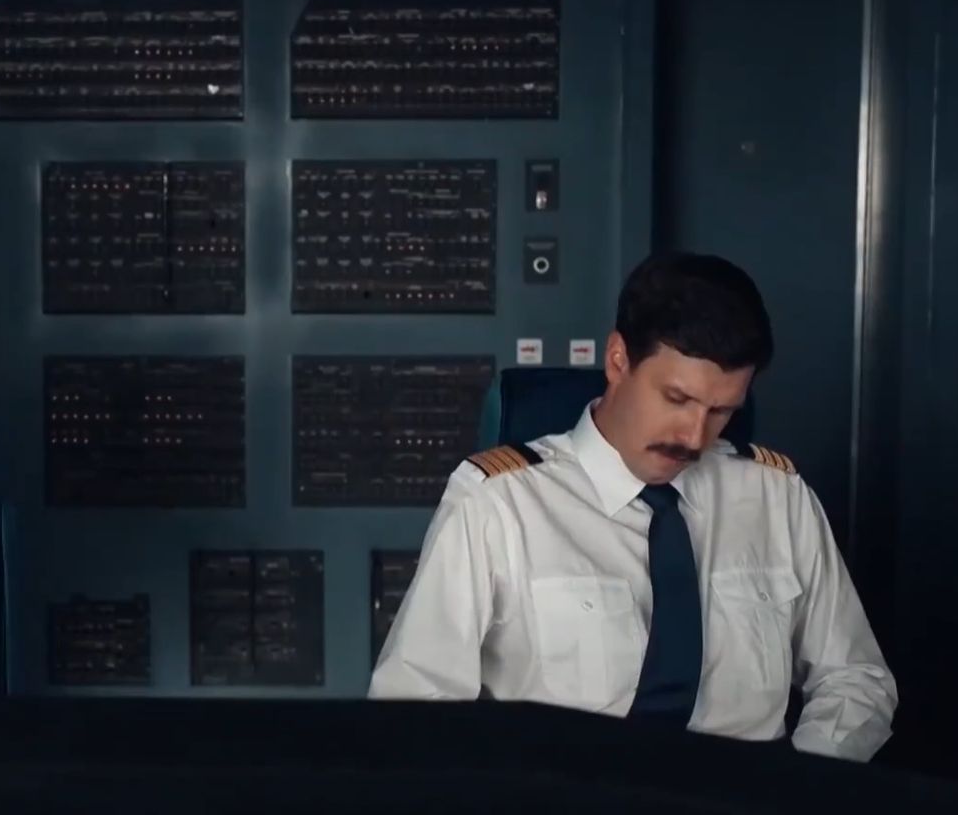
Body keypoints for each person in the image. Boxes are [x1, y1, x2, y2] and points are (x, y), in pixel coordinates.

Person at [368, 252, 897, 761]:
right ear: (618, 359)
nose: (694, 437)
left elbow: (856, 679)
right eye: (677, 399)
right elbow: (417, 712)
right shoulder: (499, 504)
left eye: (721, 411)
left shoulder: (777, 497)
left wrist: (795, 787)